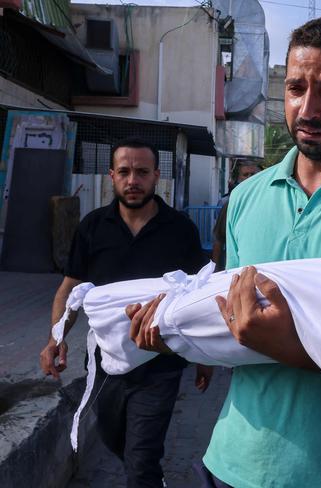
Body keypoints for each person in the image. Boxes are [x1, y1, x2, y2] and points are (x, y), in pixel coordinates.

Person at [130, 17, 321, 488]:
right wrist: (177, 333)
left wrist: (282, 342)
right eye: (296, 88)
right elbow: (230, 314)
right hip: (230, 462)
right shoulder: (248, 196)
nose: (307, 108)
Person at [39, 137, 210, 488]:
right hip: (105, 363)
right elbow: (70, 289)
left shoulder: (180, 229)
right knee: (113, 436)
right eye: (125, 172)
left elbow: (201, 294)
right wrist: (56, 338)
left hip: (159, 361)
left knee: (142, 458)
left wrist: (205, 354)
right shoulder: (92, 226)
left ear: (156, 176)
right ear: (111, 177)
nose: (133, 180)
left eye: (142, 172)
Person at [211, 160, 262, 269]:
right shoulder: (228, 202)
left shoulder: (266, 200)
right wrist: (214, 269)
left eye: (253, 174)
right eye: (245, 175)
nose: (249, 178)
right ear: (238, 179)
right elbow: (219, 238)